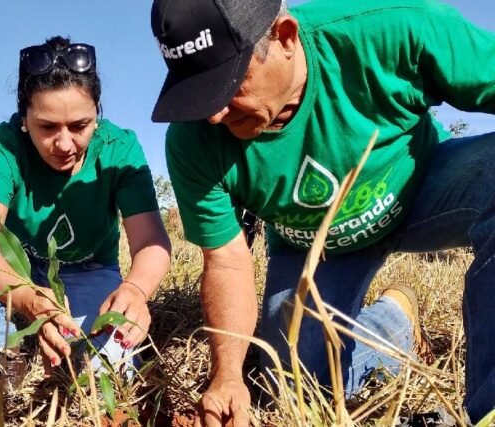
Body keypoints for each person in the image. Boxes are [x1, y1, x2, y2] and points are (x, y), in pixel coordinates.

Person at [149, 0, 495, 424]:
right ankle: (393, 322)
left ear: (286, 37)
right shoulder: (192, 143)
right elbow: (226, 262)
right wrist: (228, 376)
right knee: (294, 387)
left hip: (420, 188)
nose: (215, 113)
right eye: (201, 92)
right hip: (312, 244)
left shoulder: (393, 31)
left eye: (230, 82)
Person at [0, 36, 171, 382]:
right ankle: (1, 348)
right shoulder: (2, 146)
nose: (65, 144)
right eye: (48, 127)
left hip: (86, 270)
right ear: (24, 119)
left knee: (105, 371)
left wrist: (136, 290)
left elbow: (149, 242)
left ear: (97, 115)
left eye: (80, 126)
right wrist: (27, 298)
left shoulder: (119, 147)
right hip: (15, 268)